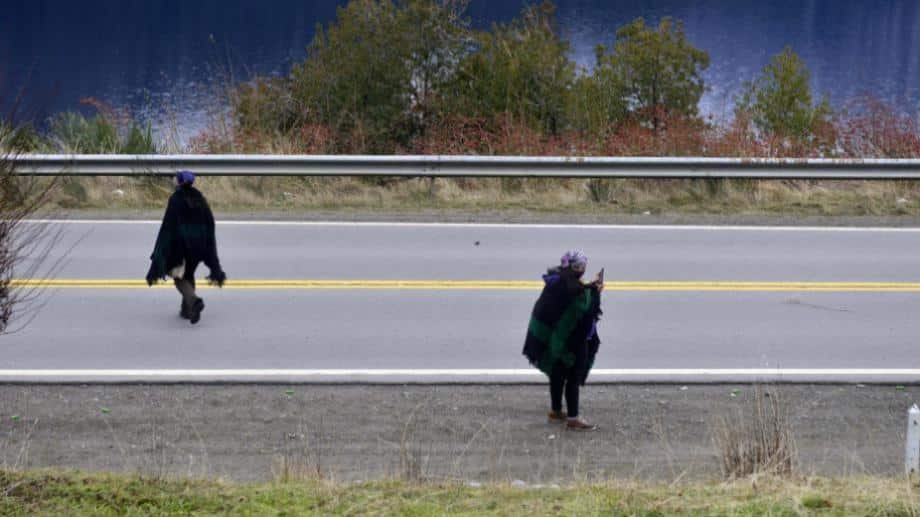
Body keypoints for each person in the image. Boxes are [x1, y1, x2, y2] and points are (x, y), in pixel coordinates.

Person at [523, 250, 603, 431]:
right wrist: (596, 292)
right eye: (581, 266)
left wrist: (590, 287)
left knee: (557, 373)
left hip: (553, 340)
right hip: (571, 342)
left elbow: (574, 295)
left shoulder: (556, 281)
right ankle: (573, 418)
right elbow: (585, 312)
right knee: (573, 378)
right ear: (577, 268)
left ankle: (556, 410)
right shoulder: (574, 291)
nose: (582, 269)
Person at [146, 170, 226, 324]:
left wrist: (160, 253)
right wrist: (209, 251)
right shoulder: (200, 198)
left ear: (179, 182)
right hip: (199, 247)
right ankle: (187, 310)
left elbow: (168, 227)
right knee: (188, 274)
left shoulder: (175, 199)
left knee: (178, 277)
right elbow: (210, 223)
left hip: (181, 247)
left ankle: (194, 301)